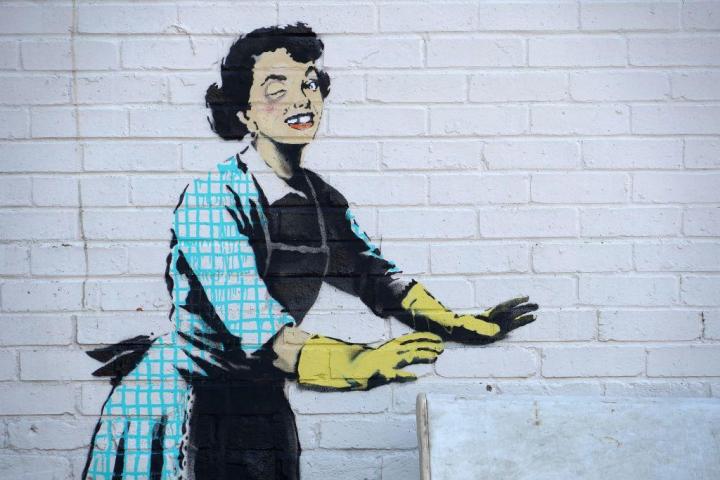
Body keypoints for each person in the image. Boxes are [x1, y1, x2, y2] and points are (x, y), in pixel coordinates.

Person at [83, 23, 538, 480]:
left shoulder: (320, 199)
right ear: (243, 114)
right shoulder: (211, 200)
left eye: (310, 83)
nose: (301, 99)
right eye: (276, 89)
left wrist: (458, 323)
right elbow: (259, 329)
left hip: (262, 401)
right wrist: (365, 362)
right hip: (187, 405)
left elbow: (376, 278)